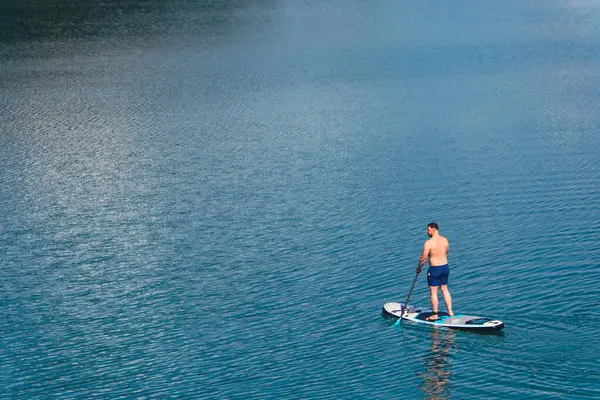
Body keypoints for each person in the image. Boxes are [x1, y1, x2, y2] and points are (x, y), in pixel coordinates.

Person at [416, 222, 454, 321]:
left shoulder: (429, 243)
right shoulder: (445, 240)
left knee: (433, 292)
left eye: (428, 230)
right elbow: (446, 251)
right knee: (445, 289)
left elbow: (423, 258)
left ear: (434, 230)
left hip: (435, 269)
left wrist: (419, 267)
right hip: (445, 267)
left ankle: (435, 314)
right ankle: (450, 311)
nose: (427, 232)